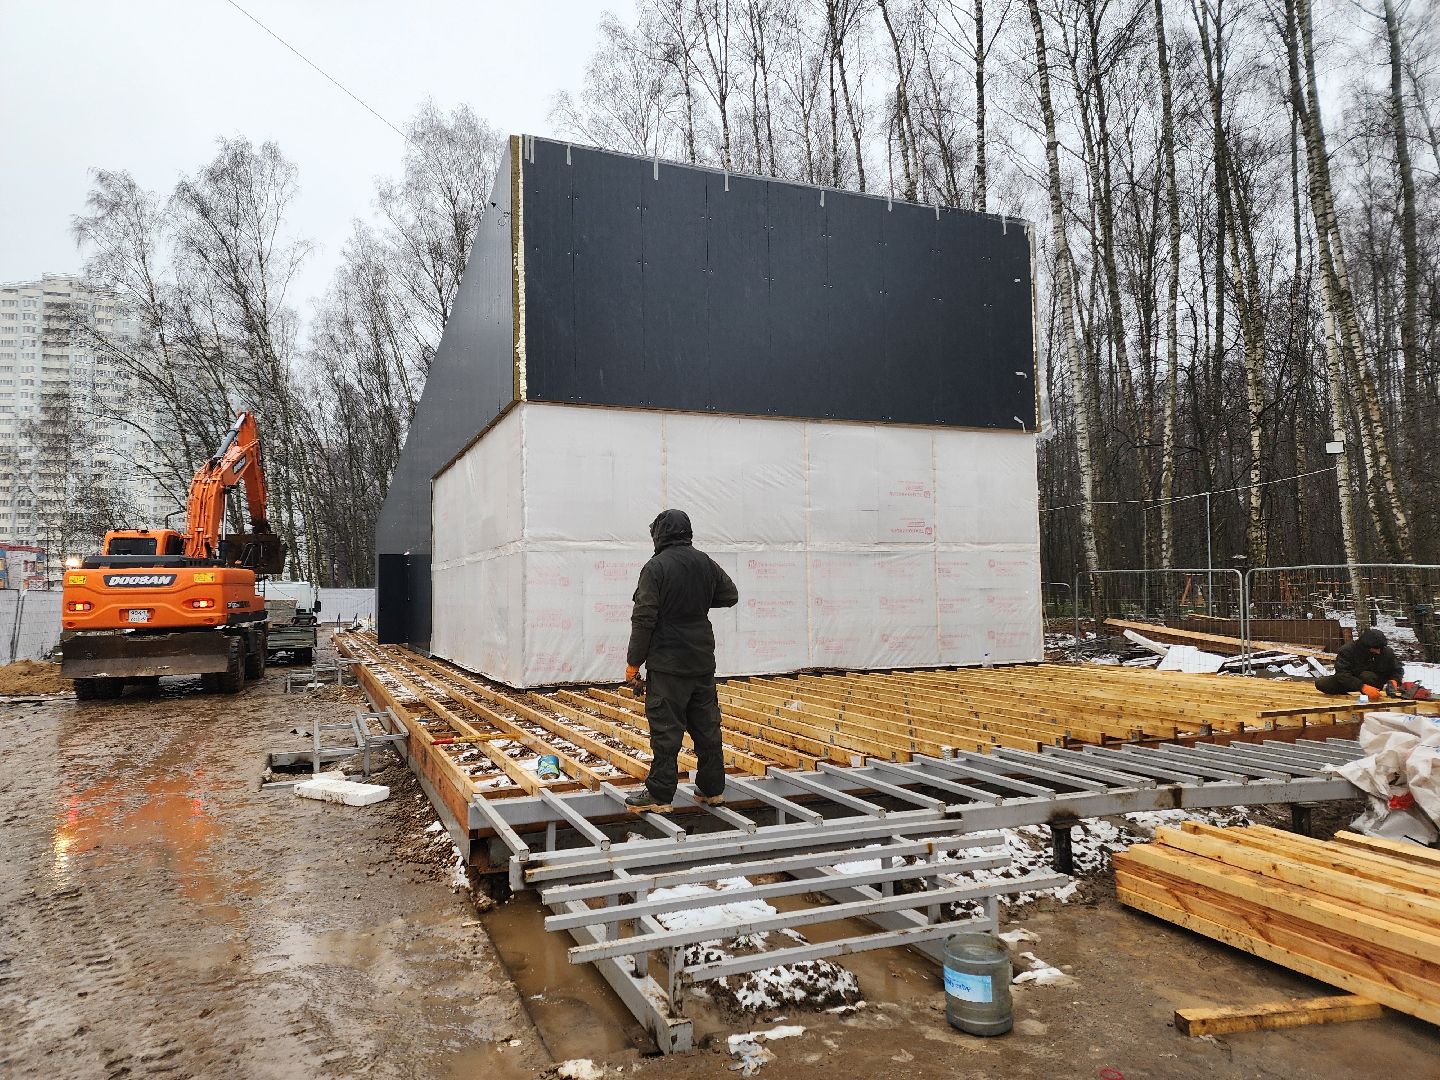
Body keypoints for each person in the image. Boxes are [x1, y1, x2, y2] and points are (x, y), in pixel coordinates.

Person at [623, 509, 739, 813]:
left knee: (666, 729)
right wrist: (696, 599)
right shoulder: (704, 562)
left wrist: (634, 663)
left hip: (668, 665)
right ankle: (712, 789)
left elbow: (644, 617)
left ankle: (660, 794)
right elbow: (730, 595)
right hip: (701, 661)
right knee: (706, 726)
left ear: (660, 535)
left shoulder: (656, 568)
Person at [1314, 627, 1404, 697]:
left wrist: (1394, 681)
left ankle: (1372, 692)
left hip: (1374, 681)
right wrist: (1362, 687)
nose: (1378, 652)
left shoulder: (1386, 652)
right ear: (1365, 647)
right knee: (1322, 683)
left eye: (1380, 648)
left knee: (1367, 676)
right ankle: (1349, 697)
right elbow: (1342, 674)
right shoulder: (1347, 650)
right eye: (1376, 649)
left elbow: (1397, 669)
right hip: (1353, 681)